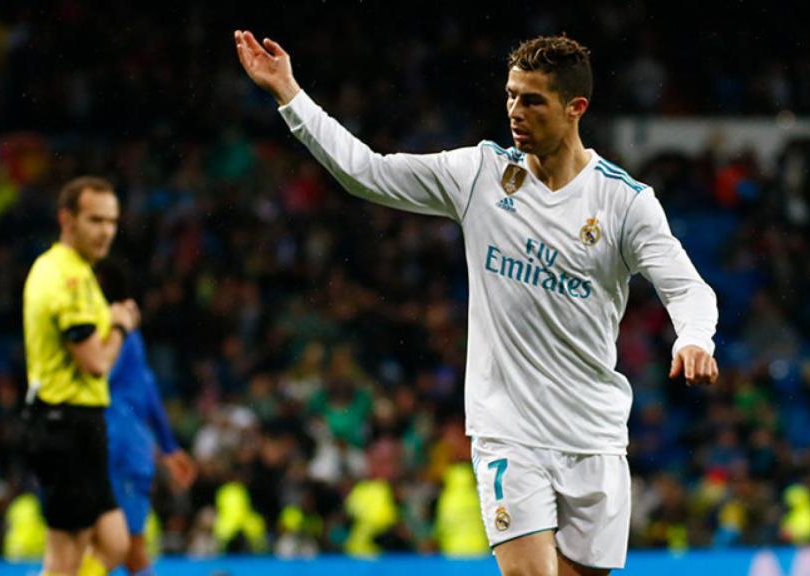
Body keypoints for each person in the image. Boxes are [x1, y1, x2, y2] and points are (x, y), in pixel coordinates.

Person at [234, 31, 719, 575]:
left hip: (594, 435)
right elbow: (364, 171)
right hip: (509, 430)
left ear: (575, 108)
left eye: (532, 100)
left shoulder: (625, 203)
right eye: (511, 94)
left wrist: (695, 336)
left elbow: (687, 287)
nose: (514, 110)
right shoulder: (481, 175)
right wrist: (289, 94)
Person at [22, 176, 138, 576]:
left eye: (112, 221)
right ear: (67, 220)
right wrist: (121, 326)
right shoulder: (66, 278)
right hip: (62, 423)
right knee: (65, 557)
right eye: (95, 220)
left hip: (83, 423)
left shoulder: (79, 270)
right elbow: (96, 362)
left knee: (114, 542)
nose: (106, 231)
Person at [93, 258, 197, 576]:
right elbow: (148, 388)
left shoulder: (113, 334)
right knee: (110, 546)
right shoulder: (123, 336)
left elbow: (141, 388)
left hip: (117, 446)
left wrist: (168, 447)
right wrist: (168, 447)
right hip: (114, 445)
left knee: (126, 547)